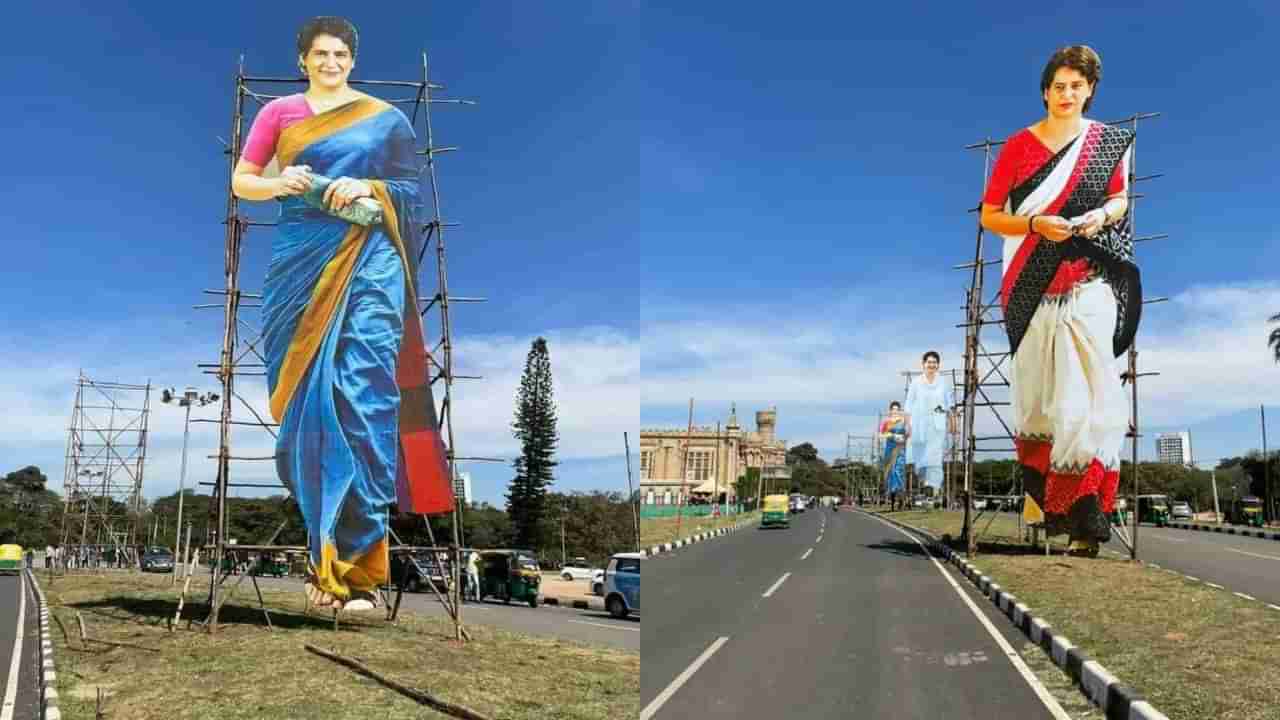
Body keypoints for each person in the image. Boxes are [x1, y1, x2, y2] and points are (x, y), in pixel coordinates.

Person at [232, 17, 454, 611]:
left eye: (340, 54)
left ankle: (358, 569)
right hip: (302, 259)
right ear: (302, 59)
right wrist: (283, 182)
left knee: (365, 391)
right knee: (308, 406)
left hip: (373, 253)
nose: (331, 62)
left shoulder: (387, 119)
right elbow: (241, 182)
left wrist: (365, 190)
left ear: (352, 60)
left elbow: (409, 193)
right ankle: (322, 560)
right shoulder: (278, 113)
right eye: (319, 54)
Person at [979, 45, 1136, 558]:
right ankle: (1048, 512)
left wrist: (1101, 218)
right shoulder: (1018, 146)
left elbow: (1119, 199)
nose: (1068, 94)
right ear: (1045, 91)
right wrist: (1032, 224)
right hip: (1031, 284)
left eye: (1078, 85)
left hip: (1089, 278)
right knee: (1040, 401)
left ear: (1090, 90)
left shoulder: (1108, 143)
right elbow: (989, 216)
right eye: (1059, 86)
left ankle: (1087, 519)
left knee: (1095, 401)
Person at [904, 351, 955, 509]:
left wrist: (953, 423)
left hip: (937, 425)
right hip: (919, 425)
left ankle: (932, 488)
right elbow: (908, 405)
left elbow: (950, 404)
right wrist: (908, 425)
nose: (931, 365)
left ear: (938, 365)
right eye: (929, 362)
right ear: (923, 364)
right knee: (920, 457)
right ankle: (925, 480)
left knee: (935, 457)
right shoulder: (916, 383)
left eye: (934, 362)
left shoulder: (944, 383)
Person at [880, 401, 908, 511]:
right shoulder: (886, 422)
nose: (894, 411)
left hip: (900, 451)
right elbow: (882, 433)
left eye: (897, 409)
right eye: (893, 409)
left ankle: (901, 500)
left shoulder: (903, 421)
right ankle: (892, 502)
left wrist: (903, 437)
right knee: (891, 474)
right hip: (889, 450)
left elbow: (908, 433)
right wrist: (892, 435)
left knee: (899, 473)